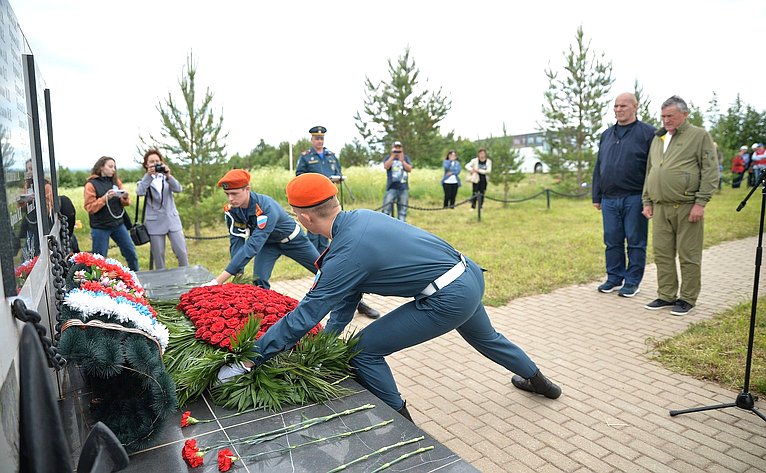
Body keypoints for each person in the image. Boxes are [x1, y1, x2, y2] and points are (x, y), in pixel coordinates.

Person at [217, 173, 562, 420]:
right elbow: (348, 296)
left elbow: (305, 315)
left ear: (304, 218)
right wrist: (326, 343)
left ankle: (402, 421)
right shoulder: (360, 218)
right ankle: (541, 383)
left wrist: (251, 359)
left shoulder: (345, 254)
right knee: (488, 338)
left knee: (364, 352)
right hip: (467, 275)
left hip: (446, 298)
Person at [642, 96, 718, 316]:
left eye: (670, 116)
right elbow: (650, 170)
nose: (666, 120)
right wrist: (647, 200)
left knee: (689, 254)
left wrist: (700, 202)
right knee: (662, 254)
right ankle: (666, 295)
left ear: (684, 115)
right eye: (663, 116)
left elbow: (710, 171)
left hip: (687, 206)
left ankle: (687, 298)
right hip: (660, 207)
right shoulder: (659, 137)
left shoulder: (699, 136)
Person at [296, 126, 380, 319]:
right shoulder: (306, 157)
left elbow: (337, 175)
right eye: (316, 138)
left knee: (336, 253)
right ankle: (319, 296)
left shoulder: (332, 156)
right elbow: (300, 179)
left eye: (322, 138)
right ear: (311, 140)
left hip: (331, 211)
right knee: (317, 255)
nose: (319, 141)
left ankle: (355, 301)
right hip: (313, 212)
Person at [205, 169, 320, 288]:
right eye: (227, 194)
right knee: (259, 281)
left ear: (247, 189)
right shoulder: (233, 210)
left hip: (293, 240)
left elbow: (252, 245)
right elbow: (236, 241)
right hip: (268, 244)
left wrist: (218, 281)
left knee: (322, 271)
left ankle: (339, 299)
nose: (230, 199)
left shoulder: (265, 207)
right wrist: (238, 271)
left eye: (234, 193)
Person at [591, 93, 656, 298]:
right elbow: (599, 165)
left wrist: (649, 199)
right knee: (612, 240)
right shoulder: (607, 134)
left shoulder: (648, 133)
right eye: (616, 106)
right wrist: (596, 195)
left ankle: (632, 281)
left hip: (635, 197)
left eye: (623, 106)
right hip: (609, 198)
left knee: (636, 241)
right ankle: (614, 277)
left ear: (635, 107)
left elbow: (653, 168)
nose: (619, 109)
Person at [135, 149, 189, 270]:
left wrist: (168, 175)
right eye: (151, 162)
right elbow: (140, 192)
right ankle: (162, 282)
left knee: (181, 252)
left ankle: (186, 277)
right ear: (146, 165)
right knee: (158, 256)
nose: (155, 164)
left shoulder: (166, 178)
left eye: (157, 161)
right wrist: (149, 176)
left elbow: (178, 189)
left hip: (172, 220)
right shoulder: (144, 180)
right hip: (154, 222)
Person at [84, 156, 139, 271]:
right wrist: (104, 199)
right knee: (99, 260)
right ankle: (98, 285)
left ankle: (136, 278)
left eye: (114, 167)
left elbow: (126, 203)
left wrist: (125, 197)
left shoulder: (116, 181)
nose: (113, 169)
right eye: (110, 166)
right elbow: (89, 207)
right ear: (101, 167)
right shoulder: (91, 184)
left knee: (131, 252)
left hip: (118, 224)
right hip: (100, 227)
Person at [381, 141, 412, 222]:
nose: (397, 150)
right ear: (392, 149)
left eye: (399, 148)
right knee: (386, 210)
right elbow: (386, 166)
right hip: (391, 187)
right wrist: (392, 156)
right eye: (396, 148)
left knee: (402, 211)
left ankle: (401, 227)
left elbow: (409, 169)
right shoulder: (388, 157)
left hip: (403, 187)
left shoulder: (405, 158)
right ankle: (385, 225)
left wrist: (402, 161)